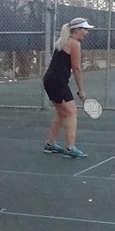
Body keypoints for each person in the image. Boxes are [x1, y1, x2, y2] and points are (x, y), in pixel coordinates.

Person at [41, 17, 92, 158]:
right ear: (76, 30)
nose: (86, 32)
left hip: (50, 80)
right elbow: (76, 68)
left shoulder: (63, 41)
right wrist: (81, 90)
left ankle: (50, 145)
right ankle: (70, 149)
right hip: (57, 82)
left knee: (62, 113)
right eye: (84, 29)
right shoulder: (74, 43)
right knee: (71, 112)